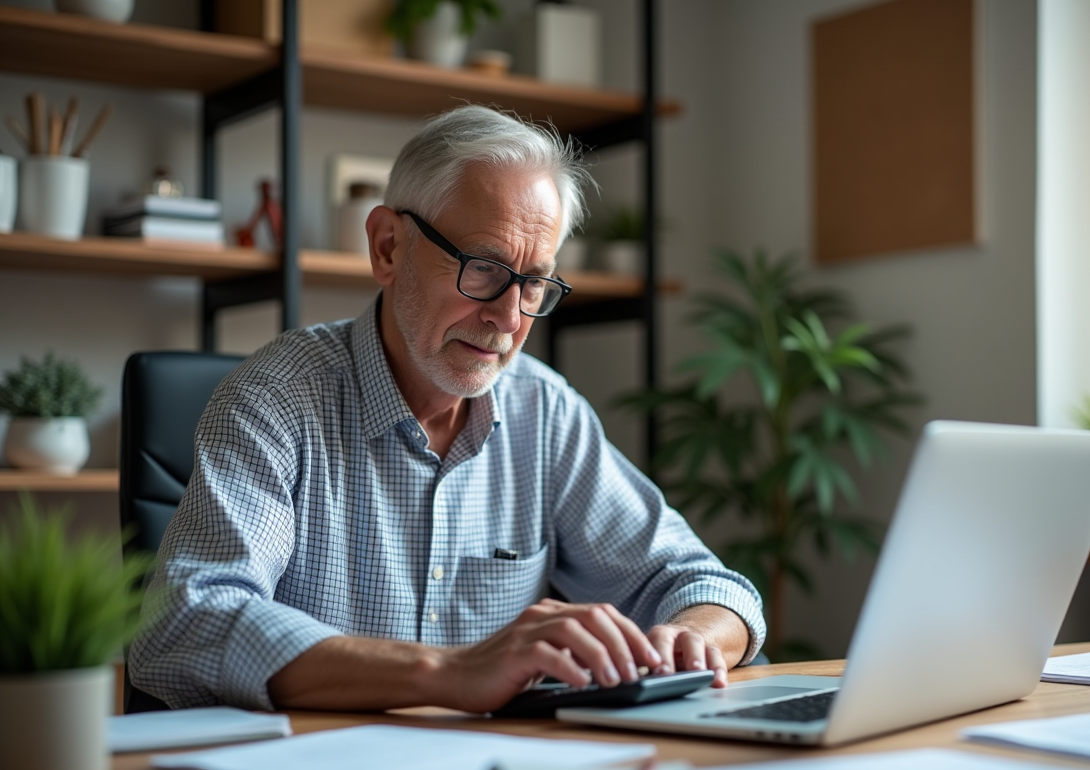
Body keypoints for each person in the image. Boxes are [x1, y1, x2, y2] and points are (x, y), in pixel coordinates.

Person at [128, 106, 766, 713]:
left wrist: (688, 640)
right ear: (387, 247)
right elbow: (183, 624)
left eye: (535, 283)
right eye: (484, 269)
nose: (509, 318)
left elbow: (706, 586)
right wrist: (450, 674)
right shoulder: (274, 401)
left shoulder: (543, 413)